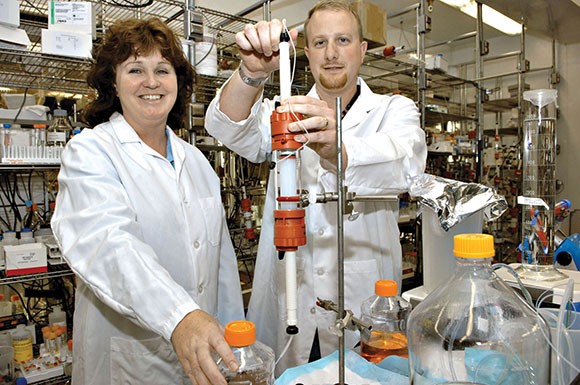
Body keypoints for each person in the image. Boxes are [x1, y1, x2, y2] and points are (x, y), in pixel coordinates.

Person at [205, 0, 427, 375]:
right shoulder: (284, 107)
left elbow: (407, 165)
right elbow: (227, 126)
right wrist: (251, 72)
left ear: (362, 49)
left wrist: (336, 148)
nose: (332, 53)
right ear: (306, 52)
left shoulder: (393, 111)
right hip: (291, 291)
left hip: (362, 296)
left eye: (343, 39)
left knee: (363, 376)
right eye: (320, 42)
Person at [51, 17, 244, 385]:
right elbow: (110, 244)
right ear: (113, 82)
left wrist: (231, 343)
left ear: (177, 82)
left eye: (163, 70)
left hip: (203, 354)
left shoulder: (197, 161)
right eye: (135, 69)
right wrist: (179, 315)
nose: (151, 82)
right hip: (130, 364)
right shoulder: (91, 151)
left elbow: (222, 269)